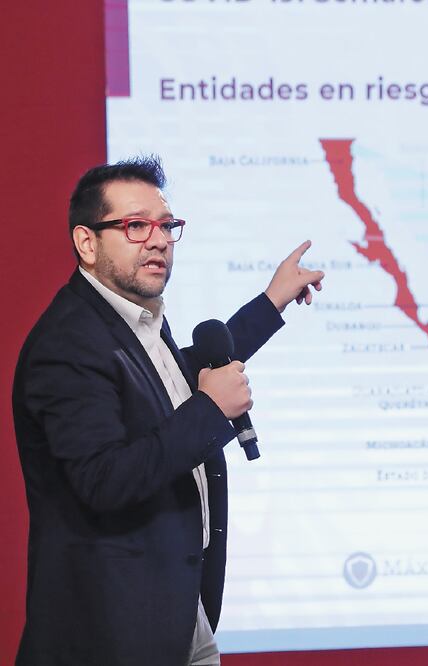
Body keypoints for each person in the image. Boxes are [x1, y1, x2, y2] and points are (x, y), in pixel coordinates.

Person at [11, 157, 324, 665]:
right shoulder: (67, 345)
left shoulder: (134, 321)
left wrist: (271, 302)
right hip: (110, 632)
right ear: (87, 243)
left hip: (175, 612)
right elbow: (104, 479)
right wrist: (210, 410)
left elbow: (184, 377)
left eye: (166, 226)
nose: (157, 240)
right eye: (136, 226)